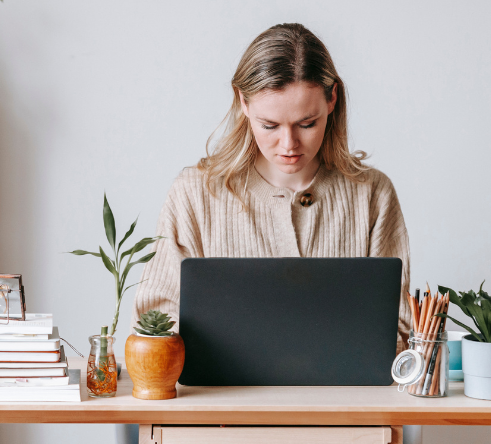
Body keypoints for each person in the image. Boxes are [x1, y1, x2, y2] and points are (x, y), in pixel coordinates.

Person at [132, 23, 412, 353]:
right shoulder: (194, 194)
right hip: (224, 401)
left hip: (343, 401)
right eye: (269, 126)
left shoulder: (372, 194)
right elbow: (157, 317)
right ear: (243, 103)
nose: (288, 144)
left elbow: (399, 326)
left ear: (332, 99)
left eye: (307, 124)